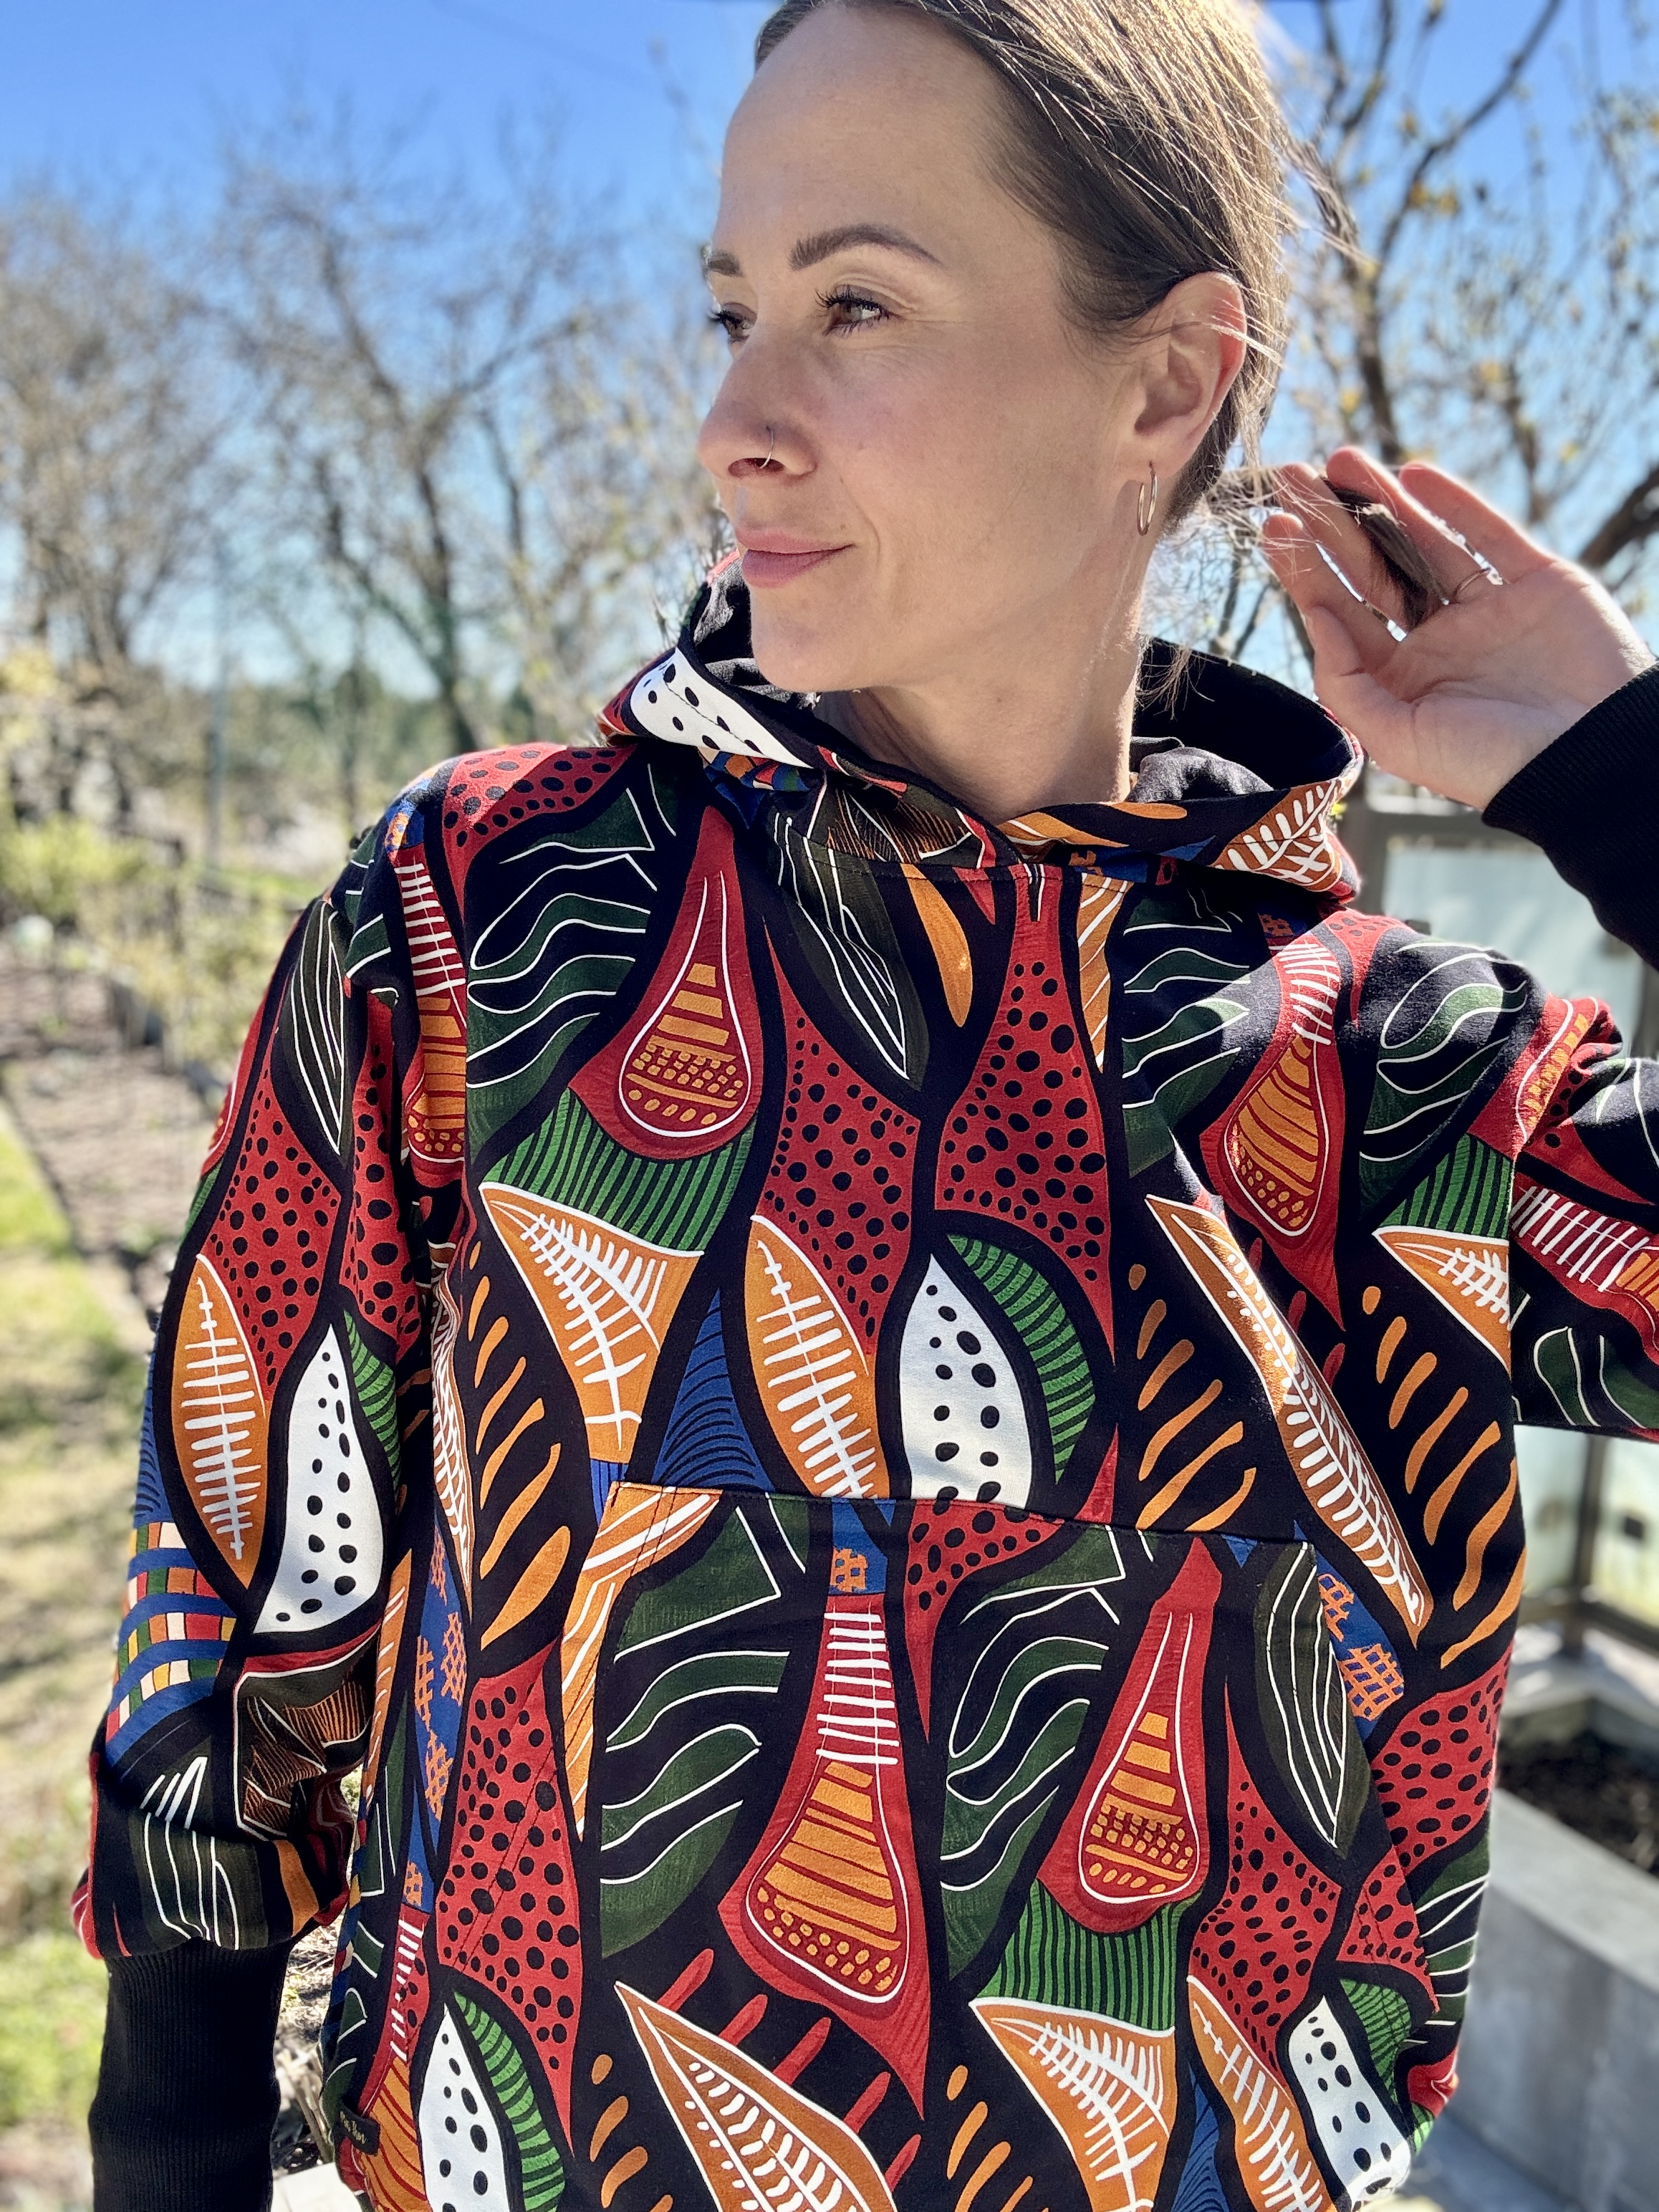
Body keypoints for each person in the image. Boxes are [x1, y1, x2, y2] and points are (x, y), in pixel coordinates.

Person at [79, 1, 1659, 2208]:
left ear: (1162, 384)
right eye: (731, 309)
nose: (732, 423)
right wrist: (167, 2138)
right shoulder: (493, 908)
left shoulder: (1397, 1070)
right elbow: (248, 1536)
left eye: (853, 306)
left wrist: (1619, 778)